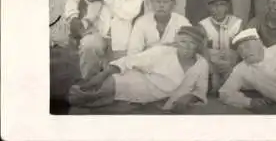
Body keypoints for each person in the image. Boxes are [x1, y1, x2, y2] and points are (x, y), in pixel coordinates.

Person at [68, 26, 210, 113]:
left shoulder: (201, 64)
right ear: (177, 42)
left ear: (197, 46)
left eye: (192, 43)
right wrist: (103, 74)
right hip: (134, 81)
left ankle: (78, 95)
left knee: (102, 105)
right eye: (183, 42)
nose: (187, 47)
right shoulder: (163, 51)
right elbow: (130, 60)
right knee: (91, 95)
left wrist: (188, 97)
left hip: (151, 96)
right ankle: (74, 93)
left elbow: (201, 89)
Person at [127, 0, 191, 55]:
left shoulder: (182, 22)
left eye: (165, 2)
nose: (161, 5)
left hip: (174, 63)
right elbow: (133, 52)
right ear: (152, 3)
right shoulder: (141, 22)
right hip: (146, 62)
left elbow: (188, 50)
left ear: (173, 4)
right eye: (158, 2)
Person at [198, 0, 243, 92]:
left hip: (231, 63)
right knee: (213, 87)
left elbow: (241, 49)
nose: (217, 9)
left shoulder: (237, 23)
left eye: (221, 5)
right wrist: (212, 70)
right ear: (208, 7)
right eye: (213, 5)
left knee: (231, 86)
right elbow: (203, 51)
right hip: (213, 64)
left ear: (227, 6)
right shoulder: (203, 25)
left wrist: (233, 66)